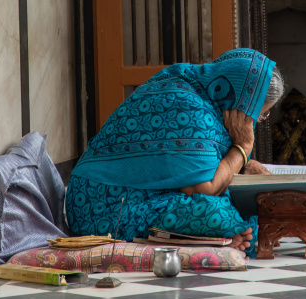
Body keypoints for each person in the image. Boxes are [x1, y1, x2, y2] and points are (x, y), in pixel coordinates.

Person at [66, 48, 284, 257]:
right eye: (260, 114)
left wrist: (244, 164)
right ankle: (214, 237)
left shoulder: (189, 81)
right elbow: (205, 189)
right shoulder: (191, 108)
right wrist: (243, 148)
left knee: (244, 200)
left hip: (142, 191)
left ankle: (209, 239)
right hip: (101, 205)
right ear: (242, 102)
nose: (255, 122)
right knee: (223, 214)